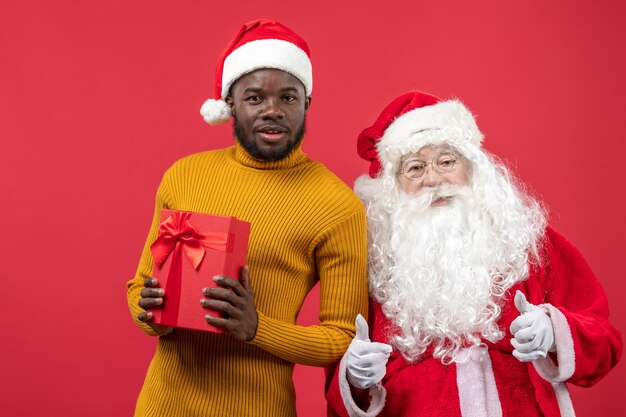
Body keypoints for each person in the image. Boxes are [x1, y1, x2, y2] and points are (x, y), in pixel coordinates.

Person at [325, 91, 623, 417]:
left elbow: (605, 342)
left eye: (447, 161)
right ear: (394, 186)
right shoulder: (374, 265)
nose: (433, 178)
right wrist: (354, 377)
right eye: (415, 168)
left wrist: (554, 331)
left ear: (472, 167)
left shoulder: (531, 242)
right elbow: (339, 390)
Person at [126, 19, 368, 417]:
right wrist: (152, 311)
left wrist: (257, 328)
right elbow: (138, 287)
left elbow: (342, 339)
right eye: (255, 98)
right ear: (230, 104)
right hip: (162, 405)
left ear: (307, 102)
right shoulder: (184, 175)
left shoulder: (336, 204)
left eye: (288, 98)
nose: (272, 111)